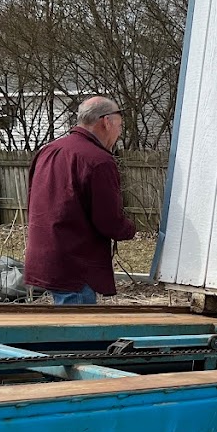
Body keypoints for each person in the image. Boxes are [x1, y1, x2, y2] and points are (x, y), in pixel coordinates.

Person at [24, 96, 137, 305]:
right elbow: (108, 221)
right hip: (75, 264)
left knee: (64, 328)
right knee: (77, 331)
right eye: (119, 126)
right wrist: (130, 229)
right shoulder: (98, 160)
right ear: (106, 122)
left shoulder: (49, 150)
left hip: (43, 255)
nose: (119, 133)